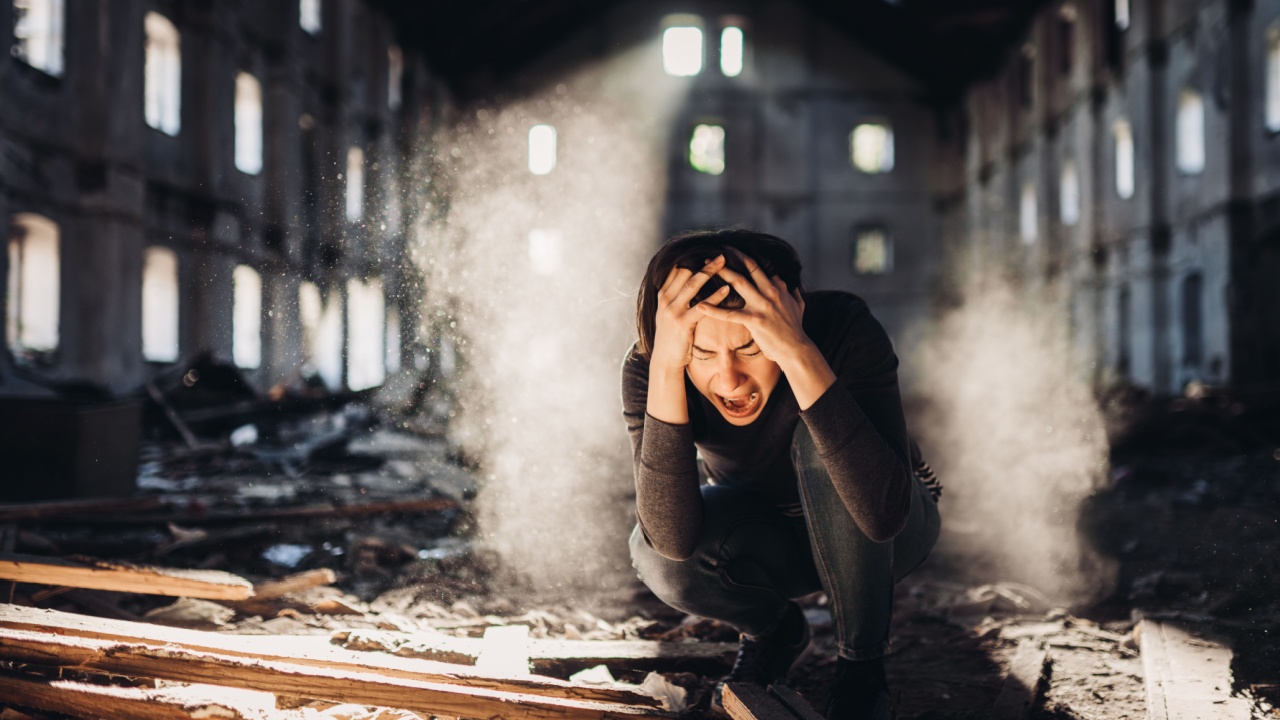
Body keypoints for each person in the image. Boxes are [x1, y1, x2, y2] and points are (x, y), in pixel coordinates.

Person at [621, 229, 941, 720]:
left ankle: (861, 668)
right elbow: (671, 539)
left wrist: (796, 351)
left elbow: (883, 516)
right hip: (767, 538)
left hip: (891, 528)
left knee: (820, 433)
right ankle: (777, 629)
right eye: (704, 355)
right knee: (656, 553)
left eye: (750, 348)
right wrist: (667, 364)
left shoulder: (842, 327)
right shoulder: (655, 363)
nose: (729, 381)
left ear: (788, 319)